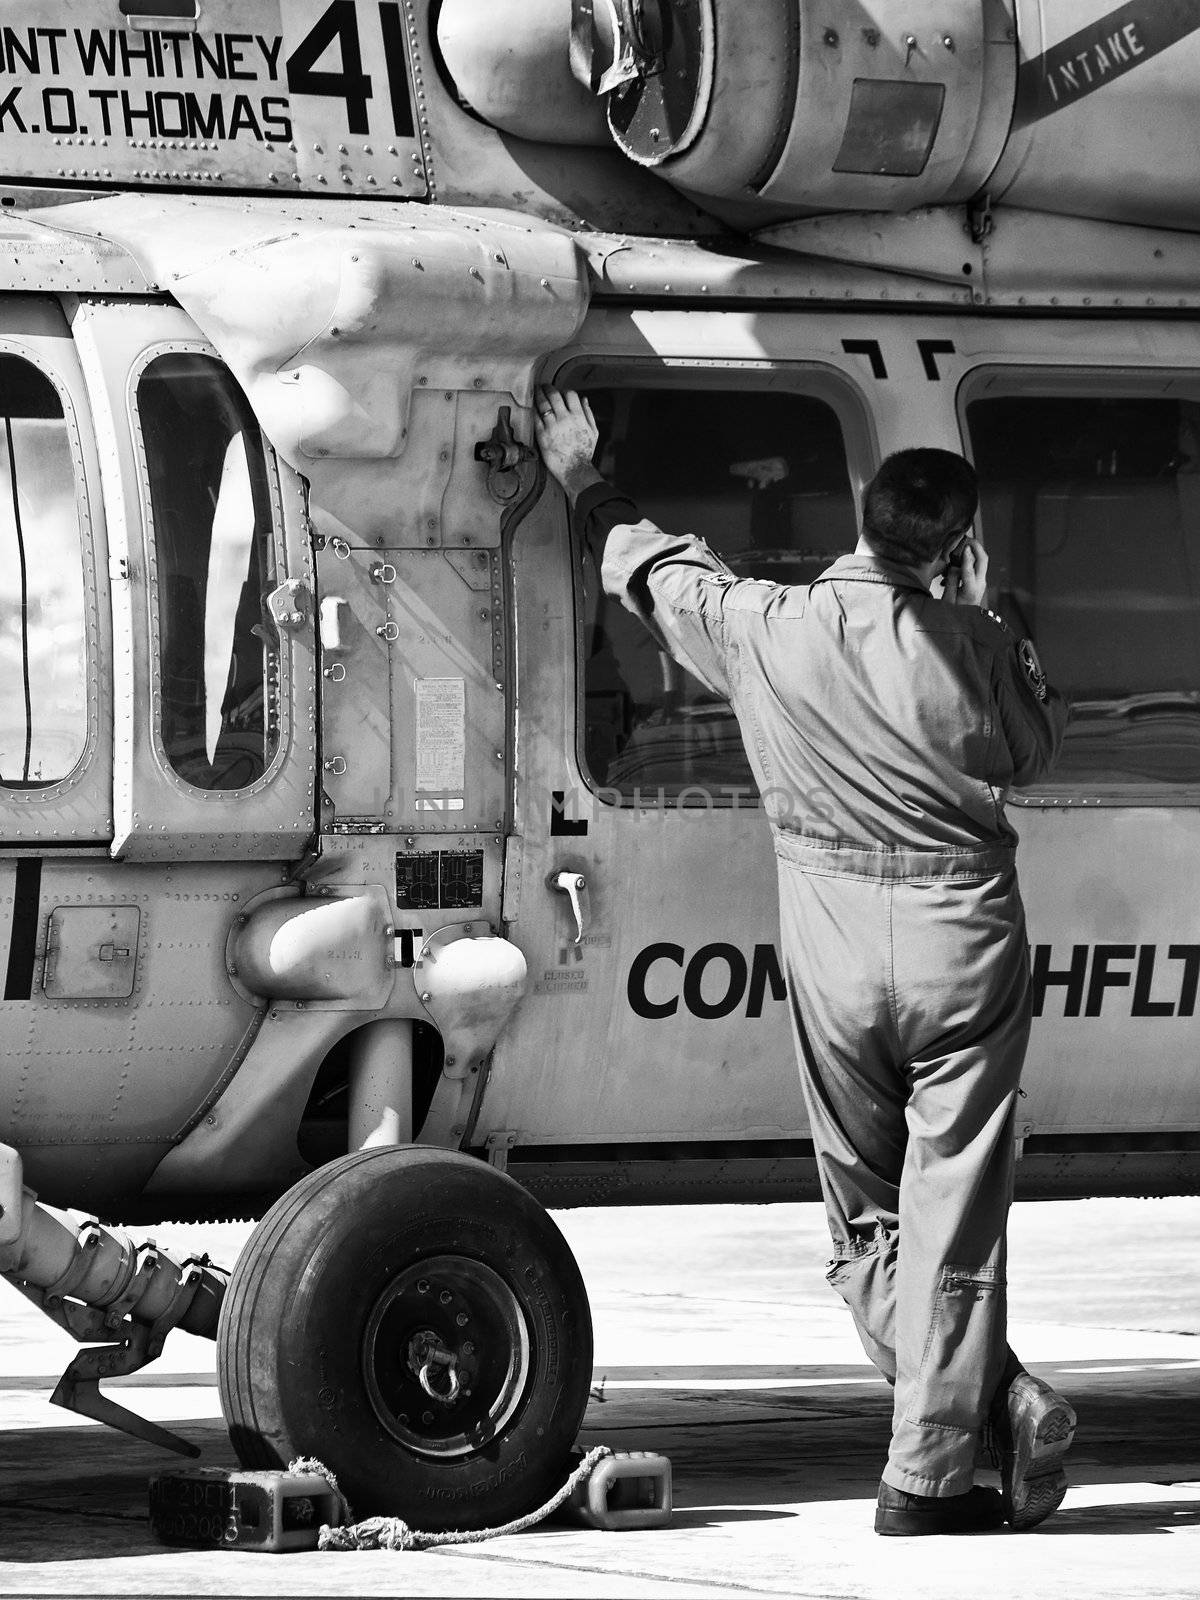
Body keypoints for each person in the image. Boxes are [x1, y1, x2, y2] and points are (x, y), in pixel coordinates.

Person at [534, 384, 1075, 1537]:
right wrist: (990, 615)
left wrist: (583, 473)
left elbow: (644, 563)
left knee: (865, 1227)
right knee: (955, 1212)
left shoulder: (762, 625)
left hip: (832, 944)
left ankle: (987, 1409)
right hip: (963, 946)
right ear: (958, 551)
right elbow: (1035, 745)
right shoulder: (977, 645)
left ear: (861, 520)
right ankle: (939, 1460)